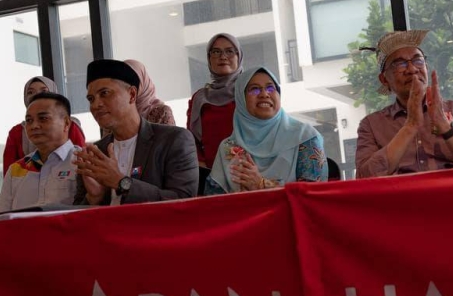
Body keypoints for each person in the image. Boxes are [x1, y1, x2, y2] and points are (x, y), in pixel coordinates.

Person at [355, 30, 453, 177]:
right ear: (384, 80)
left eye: (418, 61)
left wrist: (445, 127)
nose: (412, 69)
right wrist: (410, 126)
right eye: (400, 64)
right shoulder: (371, 125)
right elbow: (365, 177)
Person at [74, 59, 198, 205]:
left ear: (132, 94)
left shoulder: (173, 140)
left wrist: (121, 183)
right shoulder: (96, 153)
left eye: (105, 93)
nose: (96, 105)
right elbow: (77, 216)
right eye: (91, 99)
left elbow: (184, 202)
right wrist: (93, 198)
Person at [207, 66, 327, 193]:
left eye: (270, 88)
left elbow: (313, 196)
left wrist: (261, 184)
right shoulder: (228, 147)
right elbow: (212, 203)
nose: (264, 94)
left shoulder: (305, 137)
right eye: (254, 90)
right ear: (241, 99)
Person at [0, 93, 81, 212]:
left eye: (43, 118)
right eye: (29, 120)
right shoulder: (16, 169)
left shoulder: (82, 162)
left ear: (66, 123)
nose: (34, 126)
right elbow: (1, 216)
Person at [187, 33, 243, 193]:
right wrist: (204, 168)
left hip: (245, 172)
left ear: (239, 56)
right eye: (216, 52)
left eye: (229, 51)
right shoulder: (199, 98)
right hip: (210, 176)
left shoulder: (248, 92)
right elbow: (191, 140)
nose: (223, 57)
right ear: (209, 58)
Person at [3, 76, 86, 174]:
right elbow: (9, 171)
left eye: (44, 91)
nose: (36, 95)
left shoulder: (70, 125)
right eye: (30, 92)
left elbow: (81, 158)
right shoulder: (17, 132)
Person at [124, 59, 175, 125]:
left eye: (133, 80)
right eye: (123, 81)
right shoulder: (116, 111)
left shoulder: (162, 113)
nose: (129, 85)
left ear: (144, 81)